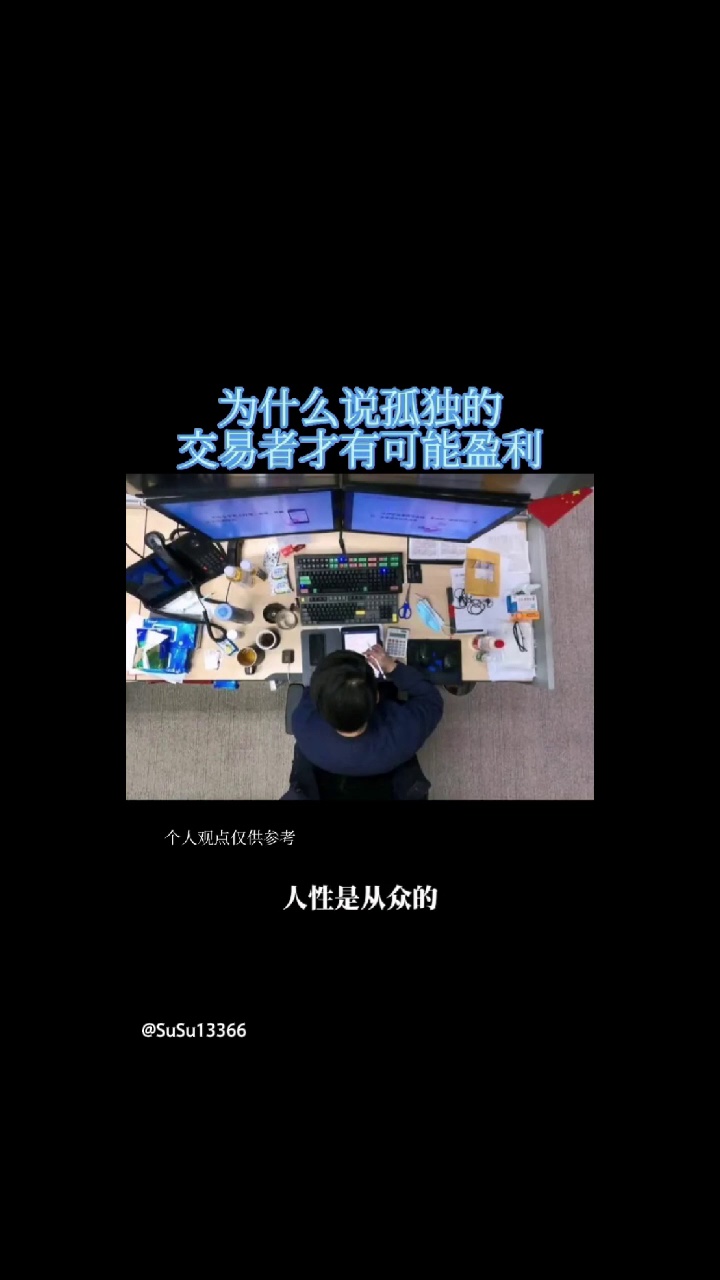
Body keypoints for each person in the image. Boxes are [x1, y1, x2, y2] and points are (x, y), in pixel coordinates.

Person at [290, 644, 443, 780]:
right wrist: (392, 668)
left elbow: (311, 690)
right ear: (377, 697)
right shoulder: (404, 732)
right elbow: (431, 700)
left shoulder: (302, 724)